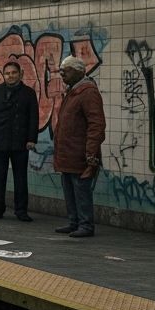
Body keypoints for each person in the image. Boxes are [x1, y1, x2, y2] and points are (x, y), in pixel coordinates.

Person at [53, 55, 105, 238]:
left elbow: (96, 124)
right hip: (68, 153)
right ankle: (74, 221)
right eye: (61, 70)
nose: (62, 74)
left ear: (79, 71)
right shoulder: (73, 91)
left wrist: (91, 154)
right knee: (70, 190)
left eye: (65, 70)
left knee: (81, 190)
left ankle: (85, 224)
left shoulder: (87, 92)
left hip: (79, 153)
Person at [0, 61, 40, 221]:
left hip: (20, 142)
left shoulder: (28, 93)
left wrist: (31, 139)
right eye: (7, 73)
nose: (10, 76)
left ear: (20, 74)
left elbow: (33, 118)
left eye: (13, 72)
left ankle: (21, 210)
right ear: (3, 75)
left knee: (20, 178)